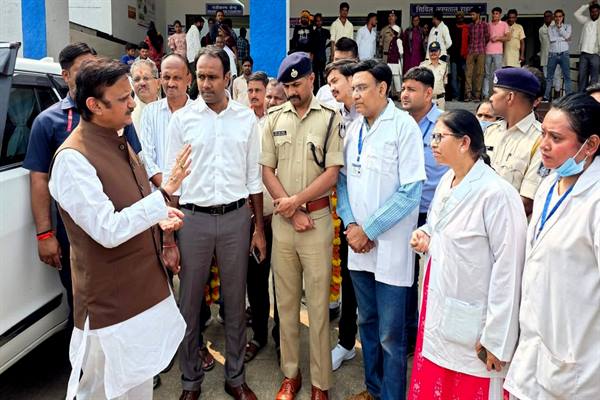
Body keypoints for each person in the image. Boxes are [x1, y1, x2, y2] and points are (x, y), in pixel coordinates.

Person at [48, 57, 190, 400]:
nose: (132, 103)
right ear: (94, 105)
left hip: (142, 292)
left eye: (131, 96)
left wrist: (159, 219)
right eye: (123, 98)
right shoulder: (73, 159)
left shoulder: (119, 138)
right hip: (110, 307)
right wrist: (164, 195)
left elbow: (131, 205)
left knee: (138, 385)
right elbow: (108, 229)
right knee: (102, 391)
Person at [408, 109, 527, 400]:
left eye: (440, 137)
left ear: (464, 142)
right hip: (440, 307)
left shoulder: (497, 194)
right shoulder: (447, 181)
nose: (433, 143)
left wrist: (497, 339)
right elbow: (437, 226)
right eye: (433, 136)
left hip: (476, 323)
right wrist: (425, 235)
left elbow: (509, 269)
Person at [166, 46, 264, 400]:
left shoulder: (246, 119)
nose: (205, 84)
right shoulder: (182, 121)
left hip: (236, 219)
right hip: (193, 220)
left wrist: (258, 229)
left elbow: (254, 179)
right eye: (201, 77)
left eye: (212, 77)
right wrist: (169, 239)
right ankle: (190, 381)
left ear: (228, 78)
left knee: (235, 302)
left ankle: (235, 378)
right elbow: (173, 184)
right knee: (189, 304)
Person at [23, 43, 142, 328]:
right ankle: (85, 354)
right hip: (76, 232)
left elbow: (136, 165)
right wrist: (44, 234)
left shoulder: (117, 116)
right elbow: (39, 178)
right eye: (83, 69)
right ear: (65, 76)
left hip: (122, 223)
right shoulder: (48, 122)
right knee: (86, 302)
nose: (92, 73)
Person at [339, 59, 425, 400]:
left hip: (390, 248)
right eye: (353, 89)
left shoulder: (403, 128)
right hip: (358, 247)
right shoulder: (354, 129)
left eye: (362, 88)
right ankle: (373, 390)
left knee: (391, 335)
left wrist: (369, 230)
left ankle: (391, 395)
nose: (355, 95)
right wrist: (350, 224)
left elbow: (411, 192)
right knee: (367, 324)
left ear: (383, 88)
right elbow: (342, 182)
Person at [504, 93, 600, 400]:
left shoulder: (595, 200)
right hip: (534, 349)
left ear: (591, 145)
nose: (543, 144)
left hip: (579, 362)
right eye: (543, 133)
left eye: (556, 138)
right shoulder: (548, 185)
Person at [261, 52, 343, 400]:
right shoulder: (273, 118)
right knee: (286, 303)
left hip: (318, 222)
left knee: (319, 307)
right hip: (285, 225)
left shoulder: (330, 118)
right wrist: (291, 209)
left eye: (297, 84)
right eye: (287, 86)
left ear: (312, 79)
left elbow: (332, 173)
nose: (292, 91)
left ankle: (321, 383)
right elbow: (267, 170)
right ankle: (291, 374)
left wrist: (296, 202)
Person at [400, 66, 446, 358]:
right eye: (403, 88)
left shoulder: (444, 125)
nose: (404, 94)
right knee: (405, 279)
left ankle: (431, 338)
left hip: (434, 214)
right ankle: (409, 337)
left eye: (412, 89)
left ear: (429, 93)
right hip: (406, 212)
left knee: (434, 279)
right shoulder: (399, 124)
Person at [324, 59, 360, 371]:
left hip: (373, 210)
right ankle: (346, 342)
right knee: (348, 278)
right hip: (344, 208)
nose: (332, 87)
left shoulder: (374, 116)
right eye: (330, 83)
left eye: (336, 81)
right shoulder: (336, 116)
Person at [243, 72, 279, 364]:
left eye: (260, 91)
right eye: (251, 91)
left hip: (277, 215)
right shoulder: (242, 123)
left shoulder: (279, 124)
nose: (255, 96)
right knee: (255, 280)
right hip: (250, 217)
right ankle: (258, 334)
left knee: (282, 282)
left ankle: (282, 337)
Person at [485, 67, 544, 216]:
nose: (490, 98)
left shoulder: (540, 140)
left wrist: (483, 217)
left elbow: (527, 202)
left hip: (508, 225)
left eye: (495, 92)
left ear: (510, 97)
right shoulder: (490, 131)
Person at [140, 53, 193, 190]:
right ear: (160, 79)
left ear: (189, 79)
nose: (171, 83)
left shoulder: (200, 113)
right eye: (166, 77)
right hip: (160, 194)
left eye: (177, 78)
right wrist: (168, 189)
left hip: (193, 195)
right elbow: (147, 158)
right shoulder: (150, 112)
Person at [316, 37, 358, 107]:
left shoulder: (363, 93)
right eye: (336, 60)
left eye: (344, 62)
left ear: (356, 61)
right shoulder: (323, 92)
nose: (339, 66)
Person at [545, 9, 573, 100]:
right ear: (554, 17)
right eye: (556, 16)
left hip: (564, 53)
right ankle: (546, 97)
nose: (558, 18)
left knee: (567, 76)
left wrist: (560, 27)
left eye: (560, 16)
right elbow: (551, 39)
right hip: (553, 54)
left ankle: (569, 98)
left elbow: (567, 36)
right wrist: (564, 38)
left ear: (563, 17)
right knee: (549, 77)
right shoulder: (550, 27)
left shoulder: (568, 26)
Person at [483, 7, 510, 100]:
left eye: (497, 13)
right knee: (487, 74)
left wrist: (498, 38)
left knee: (498, 74)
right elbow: (484, 37)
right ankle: (485, 94)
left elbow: (508, 37)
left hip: (498, 52)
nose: (495, 15)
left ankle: (497, 94)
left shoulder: (504, 24)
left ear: (500, 15)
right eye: (493, 13)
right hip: (487, 51)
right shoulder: (488, 25)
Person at [464, 7, 489, 102]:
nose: (472, 16)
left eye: (473, 14)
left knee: (479, 73)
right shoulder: (470, 26)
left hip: (481, 50)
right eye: (471, 14)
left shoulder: (484, 25)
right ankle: (468, 94)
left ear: (478, 14)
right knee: (468, 73)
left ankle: (477, 95)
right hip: (471, 50)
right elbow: (468, 38)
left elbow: (487, 37)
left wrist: (482, 45)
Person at [130, 58, 161, 134]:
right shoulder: (127, 117)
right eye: (137, 79)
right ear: (133, 85)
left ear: (158, 83)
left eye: (146, 78)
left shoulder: (171, 112)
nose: (142, 83)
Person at [574, 1, 600, 91]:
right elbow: (576, 14)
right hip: (584, 54)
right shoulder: (586, 21)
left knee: (594, 79)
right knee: (582, 77)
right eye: (592, 11)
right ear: (590, 12)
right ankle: (582, 96)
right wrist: (588, 5)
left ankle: (592, 97)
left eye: (596, 11)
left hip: (595, 54)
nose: (594, 13)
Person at [539, 10, 564, 101]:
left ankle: (557, 100)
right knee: (546, 79)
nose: (547, 18)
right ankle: (547, 99)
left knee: (557, 78)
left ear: (552, 17)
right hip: (545, 58)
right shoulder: (541, 29)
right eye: (545, 16)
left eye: (549, 16)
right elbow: (542, 43)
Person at [420, 42, 447, 110]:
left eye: (435, 51)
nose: (433, 53)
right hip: (427, 100)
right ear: (428, 52)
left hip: (440, 100)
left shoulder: (444, 65)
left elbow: (444, 82)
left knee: (440, 117)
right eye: (431, 51)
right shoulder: (423, 66)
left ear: (440, 52)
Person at [448, 11, 469, 101]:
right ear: (456, 17)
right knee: (454, 77)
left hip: (463, 56)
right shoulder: (452, 28)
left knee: (463, 77)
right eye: (458, 16)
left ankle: (461, 96)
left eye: (461, 16)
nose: (459, 17)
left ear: (463, 17)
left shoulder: (467, 28)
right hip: (454, 57)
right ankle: (455, 95)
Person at [310, 13, 331, 92]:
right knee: (315, 77)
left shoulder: (326, 32)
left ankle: (323, 92)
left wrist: (326, 47)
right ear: (315, 22)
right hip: (315, 58)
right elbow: (311, 47)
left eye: (320, 21)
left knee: (323, 76)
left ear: (322, 21)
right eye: (317, 21)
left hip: (323, 57)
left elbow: (332, 41)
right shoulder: (312, 33)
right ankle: (315, 93)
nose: (319, 22)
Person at [387, 25, 404, 99]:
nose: (390, 32)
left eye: (391, 31)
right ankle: (389, 93)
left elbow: (401, 52)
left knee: (396, 79)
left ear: (394, 32)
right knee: (389, 78)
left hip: (395, 63)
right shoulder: (392, 40)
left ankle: (399, 94)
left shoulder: (398, 40)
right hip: (390, 62)